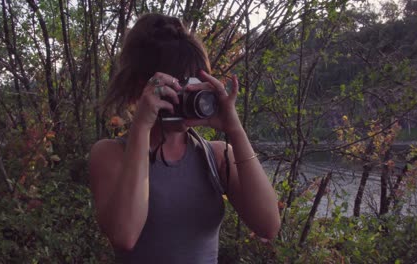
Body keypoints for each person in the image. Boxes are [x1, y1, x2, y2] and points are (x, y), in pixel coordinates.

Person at [89, 13, 280, 264]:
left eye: (194, 84)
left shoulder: (216, 156)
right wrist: (142, 127)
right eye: (176, 85)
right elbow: (124, 236)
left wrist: (234, 128)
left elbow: (268, 225)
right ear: (141, 87)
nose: (186, 95)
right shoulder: (110, 154)